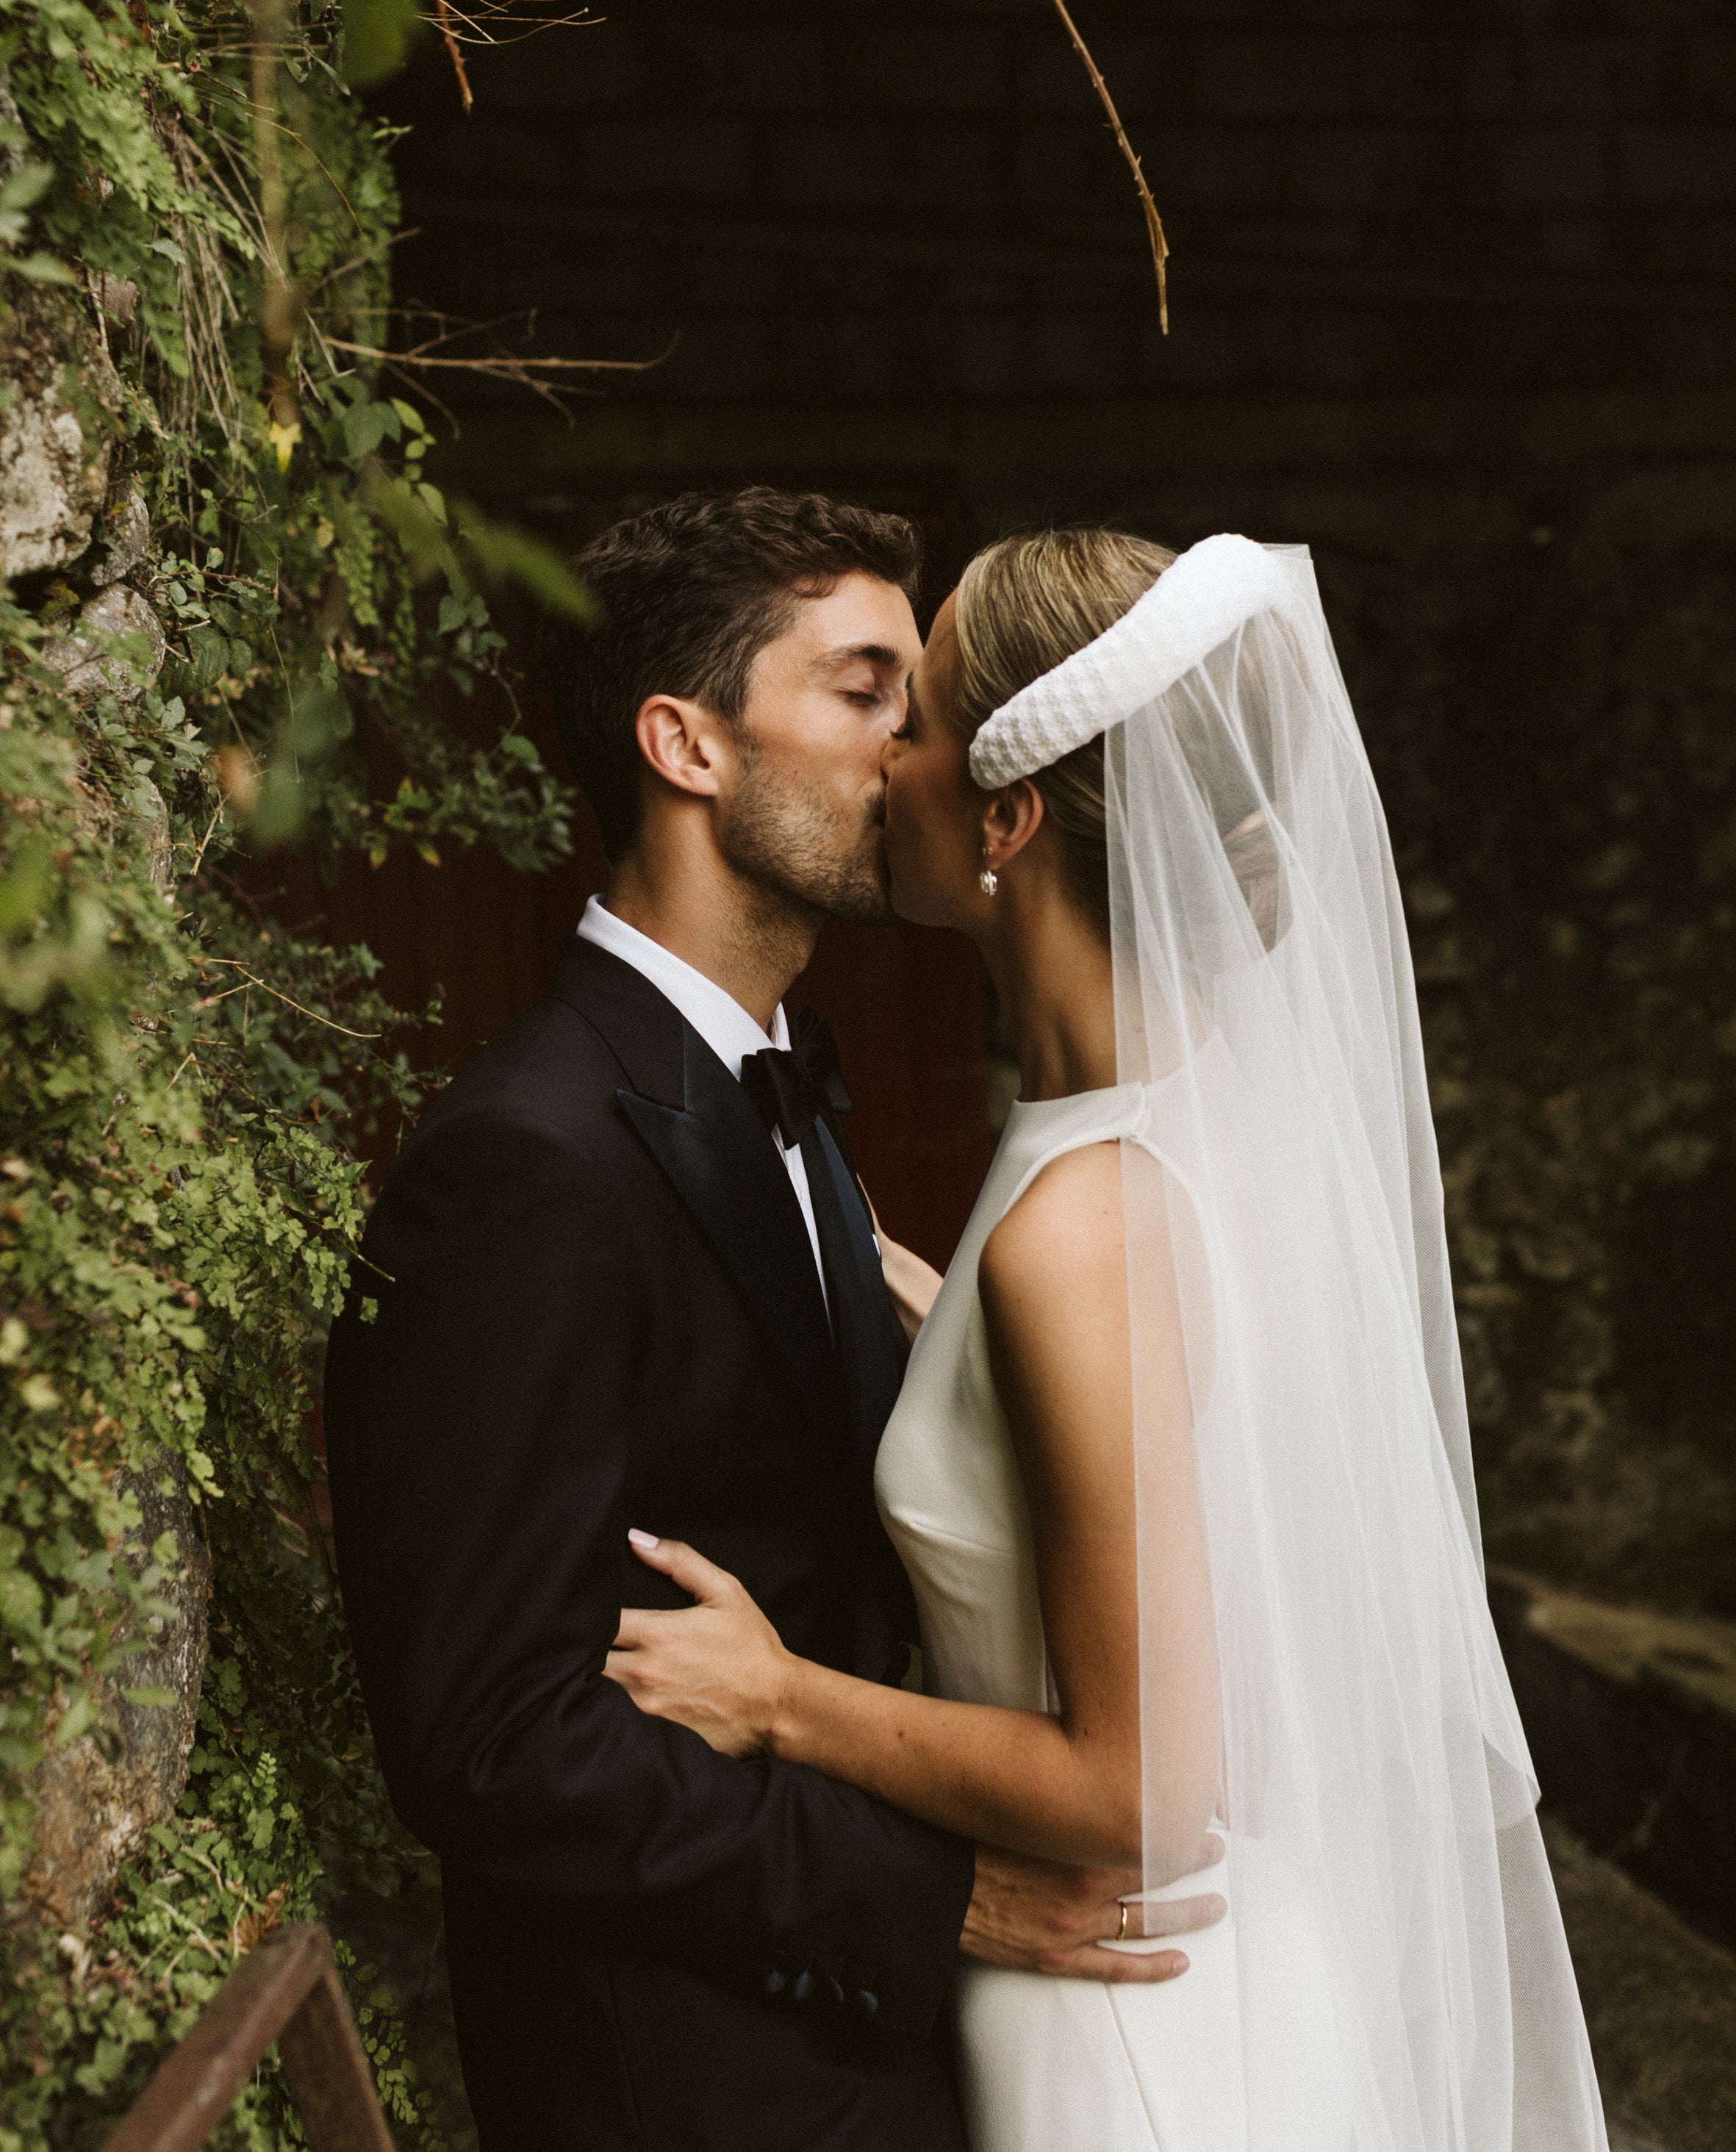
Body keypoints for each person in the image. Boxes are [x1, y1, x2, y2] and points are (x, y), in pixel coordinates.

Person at [603, 526, 1613, 2152]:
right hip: (1230, 1976)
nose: (881, 756)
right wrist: (956, 1348)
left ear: (1005, 817)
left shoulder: (1083, 1229)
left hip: (1134, 2036)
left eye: (912, 718)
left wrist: (780, 1697)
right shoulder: (1187, 1126)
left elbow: (1136, 1787)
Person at [321, 489, 1219, 2152]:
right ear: (687, 744)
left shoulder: (789, 1096)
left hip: (888, 2061)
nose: (918, 746)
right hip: (688, 2082)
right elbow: (494, 1737)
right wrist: (932, 1892)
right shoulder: (522, 1161)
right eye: (867, 687)